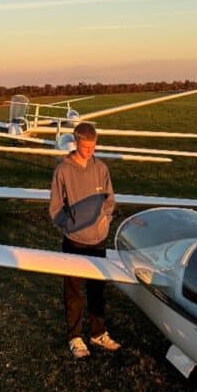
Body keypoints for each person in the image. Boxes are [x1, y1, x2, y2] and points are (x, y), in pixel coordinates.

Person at [48, 122, 120, 359]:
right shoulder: (63, 171)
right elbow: (55, 208)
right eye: (86, 147)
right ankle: (75, 336)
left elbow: (109, 201)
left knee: (97, 290)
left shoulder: (101, 168)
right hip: (74, 242)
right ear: (76, 143)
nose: (90, 151)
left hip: (98, 240)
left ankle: (98, 333)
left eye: (93, 147)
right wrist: (70, 226)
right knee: (74, 292)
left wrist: (104, 221)